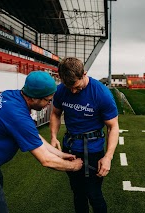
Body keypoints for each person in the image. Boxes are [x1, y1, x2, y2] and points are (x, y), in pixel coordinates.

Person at [0, 71, 83, 213]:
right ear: (33, 98)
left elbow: (33, 136)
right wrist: (73, 166)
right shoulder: (16, 114)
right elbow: (46, 160)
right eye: (47, 100)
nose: (49, 103)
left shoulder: (11, 95)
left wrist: (60, 155)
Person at [50, 57, 119, 213]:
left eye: (77, 87)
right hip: (70, 148)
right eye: (69, 87)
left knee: (94, 194)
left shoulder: (101, 93)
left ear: (84, 74)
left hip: (93, 150)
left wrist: (108, 157)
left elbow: (113, 127)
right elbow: (55, 113)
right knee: (77, 193)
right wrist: (53, 136)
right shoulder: (62, 90)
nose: (73, 91)